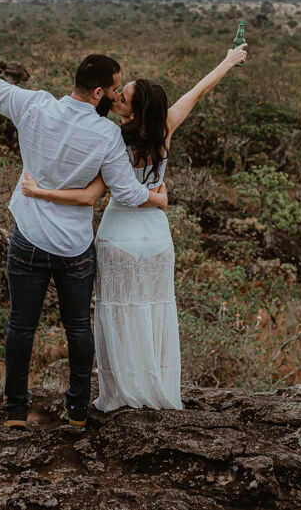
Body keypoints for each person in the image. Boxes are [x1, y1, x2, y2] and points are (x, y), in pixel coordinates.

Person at [0, 23, 167, 429]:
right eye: (112, 90)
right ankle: (77, 412)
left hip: (29, 238)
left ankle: (16, 411)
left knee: (22, 324)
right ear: (97, 94)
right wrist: (158, 197)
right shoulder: (108, 136)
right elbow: (127, 193)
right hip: (74, 247)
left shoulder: (34, 106)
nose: (115, 97)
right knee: (78, 327)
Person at [21, 42, 248, 411]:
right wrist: (228, 60)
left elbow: (88, 195)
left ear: (133, 109)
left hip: (119, 235)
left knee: (119, 312)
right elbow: (200, 89)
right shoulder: (165, 127)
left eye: (121, 98)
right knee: (153, 310)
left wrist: (39, 190)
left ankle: (122, 392)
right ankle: (154, 387)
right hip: (156, 236)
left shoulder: (112, 141)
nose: (114, 98)